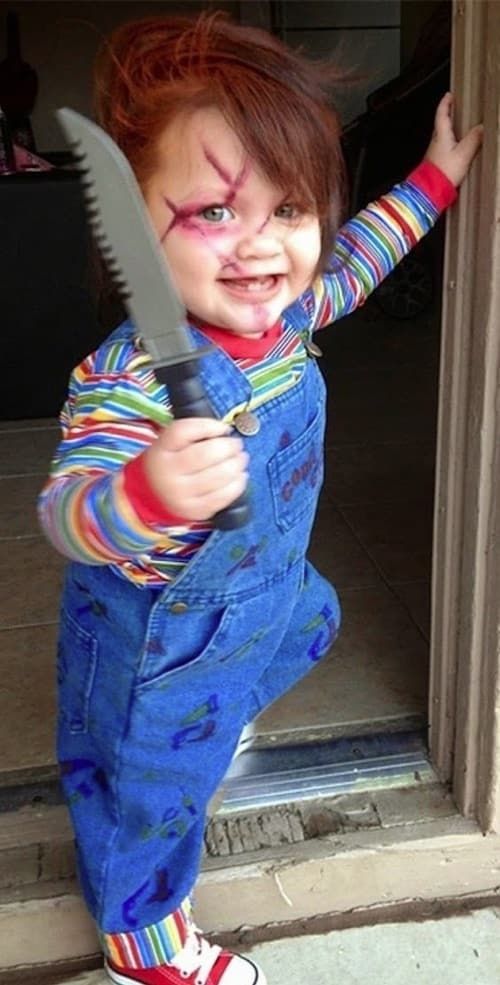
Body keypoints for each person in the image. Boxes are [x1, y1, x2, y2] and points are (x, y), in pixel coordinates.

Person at [38, 11, 483, 985]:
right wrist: (147, 493)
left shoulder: (289, 313)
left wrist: (434, 178)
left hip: (263, 588)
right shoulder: (130, 381)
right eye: (211, 213)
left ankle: (214, 712)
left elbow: (359, 255)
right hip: (163, 623)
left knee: (311, 621)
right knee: (151, 794)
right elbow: (66, 515)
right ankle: (144, 943)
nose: (259, 248)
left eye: (286, 210)